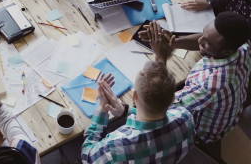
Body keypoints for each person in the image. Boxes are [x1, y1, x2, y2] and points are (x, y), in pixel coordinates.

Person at [140, 12, 251, 158]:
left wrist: (161, 56)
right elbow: (204, 40)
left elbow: (159, 106)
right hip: (225, 107)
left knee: (143, 117)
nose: (200, 40)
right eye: (203, 34)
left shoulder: (210, 84)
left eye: (207, 44)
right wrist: (174, 42)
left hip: (202, 134)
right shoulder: (244, 45)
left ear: (226, 51)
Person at [81, 25, 195, 164]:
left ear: (135, 97)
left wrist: (101, 109)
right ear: (172, 98)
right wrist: (125, 112)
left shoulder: (115, 146)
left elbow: (87, 157)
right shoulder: (185, 118)